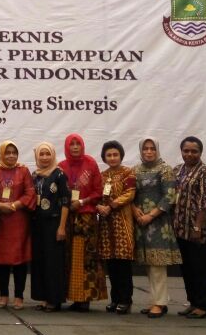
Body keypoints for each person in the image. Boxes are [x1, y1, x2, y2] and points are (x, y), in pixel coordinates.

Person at [131, 138, 180, 319]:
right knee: (148, 263)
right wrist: (134, 210)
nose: (149, 152)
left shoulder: (165, 169)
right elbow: (130, 194)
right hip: (140, 221)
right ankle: (155, 301)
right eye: (145, 149)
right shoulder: (135, 170)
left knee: (158, 265)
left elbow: (169, 196)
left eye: (152, 148)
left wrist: (151, 215)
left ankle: (160, 303)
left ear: (157, 150)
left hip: (158, 221)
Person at [61, 133, 106, 311]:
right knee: (70, 257)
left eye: (77, 144)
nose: (74, 147)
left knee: (85, 258)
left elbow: (98, 192)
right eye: (71, 144)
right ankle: (75, 297)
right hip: (68, 218)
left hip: (86, 218)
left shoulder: (90, 163)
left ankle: (85, 298)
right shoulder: (62, 166)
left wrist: (81, 202)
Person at [173, 136, 206, 319]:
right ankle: (193, 302)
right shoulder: (178, 170)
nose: (190, 154)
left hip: (199, 230)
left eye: (194, 151)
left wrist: (197, 227)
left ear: (200, 152)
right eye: (186, 151)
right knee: (187, 268)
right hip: (180, 229)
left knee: (200, 268)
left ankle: (203, 305)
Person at [0, 140, 35, 310]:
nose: (11, 156)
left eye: (14, 153)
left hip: (19, 221)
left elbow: (30, 193)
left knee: (19, 260)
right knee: (2, 260)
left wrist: (15, 205)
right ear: (2, 154)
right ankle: (3, 295)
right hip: (0, 221)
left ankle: (19, 296)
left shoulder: (23, 171)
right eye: (7, 152)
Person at [97, 140, 136, 314]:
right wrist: (99, 206)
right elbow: (97, 195)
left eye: (115, 154)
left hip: (122, 222)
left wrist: (111, 206)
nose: (112, 158)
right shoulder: (102, 175)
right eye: (109, 155)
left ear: (121, 156)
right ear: (104, 157)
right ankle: (115, 299)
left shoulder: (128, 172)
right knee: (111, 263)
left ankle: (126, 300)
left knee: (123, 263)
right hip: (106, 224)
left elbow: (130, 193)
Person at [30, 142, 69, 312]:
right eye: (41, 154)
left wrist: (62, 227)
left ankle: (55, 300)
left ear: (53, 155)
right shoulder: (35, 175)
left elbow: (66, 201)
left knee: (53, 262)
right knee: (40, 261)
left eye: (48, 154)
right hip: (37, 223)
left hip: (54, 223)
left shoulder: (59, 174)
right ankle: (44, 298)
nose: (45, 157)